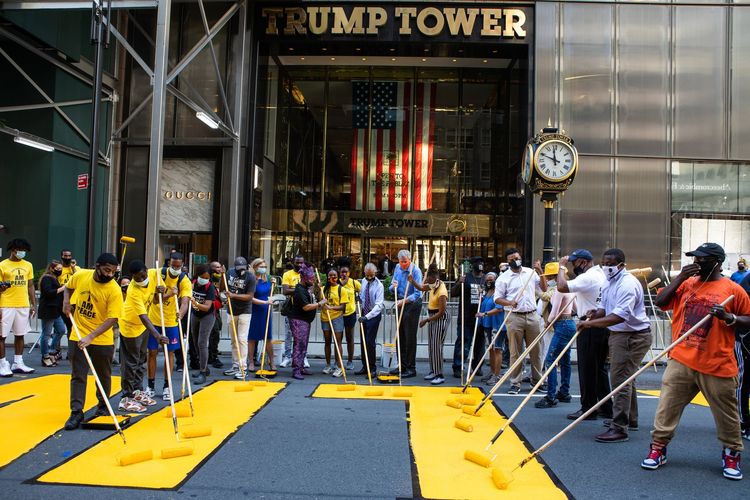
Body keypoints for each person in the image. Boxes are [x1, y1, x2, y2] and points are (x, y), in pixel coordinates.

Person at [640, 243, 750, 480]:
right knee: (667, 406)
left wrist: (728, 317)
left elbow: (748, 319)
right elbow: (661, 304)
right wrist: (679, 277)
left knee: (727, 413)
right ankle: (658, 447)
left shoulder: (733, 289)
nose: (697, 263)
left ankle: (732, 452)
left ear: (717, 263)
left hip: (717, 362)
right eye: (695, 259)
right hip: (681, 358)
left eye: (703, 259)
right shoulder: (686, 284)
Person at [576, 248, 651, 443]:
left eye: (611, 264)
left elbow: (618, 315)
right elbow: (605, 309)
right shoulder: (608, 282)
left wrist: (588, 324)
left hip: (632, 336)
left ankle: (619, 427)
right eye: (605, 263)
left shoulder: (627, 284)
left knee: (620, 380)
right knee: (627, 378)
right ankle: (630, 419)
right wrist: (594, 313)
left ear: (621, 265)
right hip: (620, 334)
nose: (607, 267)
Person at [62, 253, 123, 430]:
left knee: (103, 376)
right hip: (78, 335)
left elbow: (112, 318)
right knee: (78, 375)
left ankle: (103, 407)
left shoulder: (114, 289)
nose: (109, 275)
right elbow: (68, 287)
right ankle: (76, 412)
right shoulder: (81, 275)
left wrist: (91, 337)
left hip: (101, 339)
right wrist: (66, 301)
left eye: (113, 272)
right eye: (106, 270)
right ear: (97, 267)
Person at [556, 249, 610, 421]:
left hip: (590, 325)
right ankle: (605, 407)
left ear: (584, 262)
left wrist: (561, 268)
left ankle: (588, 408)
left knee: (587, 368)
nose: (573, 266)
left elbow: (561, 286)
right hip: (600, 323)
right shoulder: (600, 274)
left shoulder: (588, 277)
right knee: (599, 369)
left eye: (575, 263)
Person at [494, 248, 547, 394]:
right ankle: (515, 383)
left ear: (520, 257)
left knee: (536, 350)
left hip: (532, 315)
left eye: (516, 257)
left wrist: (540, 270)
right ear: (507, 261)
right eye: (511, 259)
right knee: (515, 351)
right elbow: (497, 298)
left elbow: (544, 288)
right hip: (513, 316)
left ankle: (537, 381)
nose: (515, 260)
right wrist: (509, 302)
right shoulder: (503, 278)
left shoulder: (530, 272)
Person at [117, 260, 165, 413]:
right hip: (130, 325)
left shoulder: (154, 274)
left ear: (146, 270)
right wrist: (157, 335)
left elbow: (157, 300)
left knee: (141, 360)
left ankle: (137, 391)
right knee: (131, 363)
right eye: (136, 278)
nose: (140, 280)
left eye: (142, 276)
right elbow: (143, 316)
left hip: (143, 327)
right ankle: (126, 398)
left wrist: (161, 291)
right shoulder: (133, 291)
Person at [146, 252, 192, 400]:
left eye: (178, 266)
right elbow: (154, 300)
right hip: (154, 319)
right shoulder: (158, 274)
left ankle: (167, 386)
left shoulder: (184, 280)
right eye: (173, 265)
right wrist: (167, 294)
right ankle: (150, 385)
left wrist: (182, 314)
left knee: (169, 354)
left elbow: (185, 301)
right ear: (169, 263)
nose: (175, 268)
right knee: (152, 353)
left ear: (182, 265)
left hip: (171, 321)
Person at [535, 264, 576, 408]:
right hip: (570, 323)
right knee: (564, 359)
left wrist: (548, 323)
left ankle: (551, 396)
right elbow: (575, 308)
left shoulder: (559, 290)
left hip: (561, 324)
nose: (549, 279)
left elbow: (554, 313)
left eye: (551, 276)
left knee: (551, 359)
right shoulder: (570, 289)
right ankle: (564, 391)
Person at [0, 238, 36, 376]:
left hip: (23, 304)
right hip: (6, 304)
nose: (22, 253)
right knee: (1, 336)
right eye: (21, 250)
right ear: (13, 250)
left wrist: (33, 304)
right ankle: (3, 364)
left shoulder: (28, 265)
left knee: (20, 334)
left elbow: (30, 285)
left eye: (25, 251)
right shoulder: (2, 265)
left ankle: (18, 362)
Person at [411, 265, 449, 385]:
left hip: (439, 318)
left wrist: (427, 320)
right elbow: (422, 288)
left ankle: (439, 374)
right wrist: (412, 281)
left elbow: (441, 312)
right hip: (433, 317)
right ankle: (434, 370)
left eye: (428, 278)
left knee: (437, 347)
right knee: (432, 346)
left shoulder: (442, 291)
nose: (426, 280)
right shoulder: (434, 284)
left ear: (434, 278)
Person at [286, 265, 324, 380]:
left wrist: (318, 288)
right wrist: (320, 304)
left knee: (303, 344)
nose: (312, 281)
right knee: (299, 344)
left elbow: (312, 297)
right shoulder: (299, 290)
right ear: (303, 279)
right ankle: (296, 369)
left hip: (305, 320)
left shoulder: (306, 288)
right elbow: (306, 307)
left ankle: (301, 366)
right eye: (310, 279)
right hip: (299, 320)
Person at [390, 250, 423, 378]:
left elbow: (417, 293)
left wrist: (403, 300)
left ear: (409, 260)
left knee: (410, 336)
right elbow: (392, 286)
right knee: (400, 335)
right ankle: (401, 365)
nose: (403, 264)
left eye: (405, 262)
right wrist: (393, 287)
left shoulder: (416, 271)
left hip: (412, 304)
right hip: (400, 301)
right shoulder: (397, 268)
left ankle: (411, 367)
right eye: (401, 261)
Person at [450, 256, 485, 379]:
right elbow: (453, 293)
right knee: (464, 343)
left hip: (482, 318)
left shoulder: (486, 279)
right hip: (466, 317)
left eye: (481, 262)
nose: (479, 264)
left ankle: (477, 367)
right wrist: (460, 282)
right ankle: (458, 366)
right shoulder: (466, 278)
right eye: (477, 262)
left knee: (480, 345)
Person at [222, 257, 255, 379]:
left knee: (242, 339)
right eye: (239, 269)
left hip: (245, 311)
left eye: (243, 268)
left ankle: (243, 367)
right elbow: (223, 287)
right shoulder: (230, 272)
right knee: (234, 340)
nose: (241, 271)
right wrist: (222, 276)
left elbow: (250, 296)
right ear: (234, 267)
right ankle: (235, 365)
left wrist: (233, 295)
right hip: (231, 310)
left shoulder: (250, 277)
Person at [189, 264, 217, 385]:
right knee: (195, 342)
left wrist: (195, 303)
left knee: (202, 342)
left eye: (207, 277)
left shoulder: (210, 287)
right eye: (203, 277)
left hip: (207, 316)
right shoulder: (194, 282)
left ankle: (203, 371)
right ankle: (203, 365)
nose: (205, 279)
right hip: (195, 314)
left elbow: (207, 307)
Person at [476, 272, 506, 386]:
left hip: (497, 325)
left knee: (497, 349)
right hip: (487, 325)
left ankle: (497, 375)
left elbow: (499, 309)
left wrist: (484, 314)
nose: (489, 282)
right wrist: (481, 297)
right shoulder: (488, 292)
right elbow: (485, 304)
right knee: (491, 349)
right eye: (487, 280)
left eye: (491, 280)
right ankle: (492, 372)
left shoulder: (499, 293)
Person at [321, 268, 351, 377]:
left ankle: (339, 366)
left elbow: (343, 306)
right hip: (325, 318)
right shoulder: (323, 289)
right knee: (327, 342)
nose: (332, 277)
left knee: (337, 342)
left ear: (337, 277)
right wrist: (317, 287)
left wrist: (331, 307)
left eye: (334, 275)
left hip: (337, 318)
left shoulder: (341, 289)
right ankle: (328, 365)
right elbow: (319, 301)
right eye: (330, 275)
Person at [280, 255, 309, 369]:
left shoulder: (306, 274)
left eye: (301, 263)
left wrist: (296, 290)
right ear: (293, 262)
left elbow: (309, 290)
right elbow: (285, 291)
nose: (299, 265)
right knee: (289, 333)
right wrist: (300, 290)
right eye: (297, 262)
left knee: (303, 335)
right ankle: (287, 356)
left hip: (304, 308)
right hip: (291, 308)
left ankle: (303, 356)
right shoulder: (287, 274)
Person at [356, 263, 384, 376]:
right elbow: (364, 297)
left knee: (370, 342)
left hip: (373, 315)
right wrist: (359, 299)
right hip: (364, 312)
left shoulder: (379, 286)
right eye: (367, 275)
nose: (369, 278)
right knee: (363, 341)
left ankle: (372, 368)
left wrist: (367, 317)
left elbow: (378, 306)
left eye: (371, 276)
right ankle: (365, 365)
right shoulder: (363, 281)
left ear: (375, 273)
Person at [37, 260, 67, 367]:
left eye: (61, 269)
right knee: (46, 334)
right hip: (48, 310)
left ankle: (52, 351)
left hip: (55, 310)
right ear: (51, 268)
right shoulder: (47, 278)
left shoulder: (54, 279)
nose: (60, 270)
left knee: (61, 330)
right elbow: (48, 293)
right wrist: (62, 288)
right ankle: (45, 356)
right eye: (58, 269)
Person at [247, 258, 275, 372]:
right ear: (255, 267)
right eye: (261, 266)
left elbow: (269, 294)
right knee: (252, 338)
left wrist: (273, 285)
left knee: (268, 337)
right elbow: (250, 298)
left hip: (266, 310)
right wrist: (265, 302)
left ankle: (272, 362)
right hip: (254, 311)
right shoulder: (251, 280)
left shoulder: (267, 279)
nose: (264, 269)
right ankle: (251, 362)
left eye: (265, 267)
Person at [339, 264, 361, 371]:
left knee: (350, 339)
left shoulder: (354, 283)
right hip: (338, 314)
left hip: (350, 313)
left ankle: (350, 361)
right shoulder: (336, 282)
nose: (344, 274)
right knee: (338, 339)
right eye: (342, 272)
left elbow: (363, 290)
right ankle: (338, 361)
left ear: (349, 273)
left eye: (346, 272)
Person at [207, 261, 225, 368]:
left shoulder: (217, 279)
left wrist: (223, 275)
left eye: (220, 267)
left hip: (215, 311)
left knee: (216, 331)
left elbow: (222, 288)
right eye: (217, 267)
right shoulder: (208, 279)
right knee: (213, 333)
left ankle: (213, 354)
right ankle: (212, 356)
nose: (219, 269)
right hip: (209, 311)